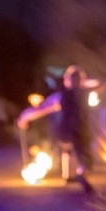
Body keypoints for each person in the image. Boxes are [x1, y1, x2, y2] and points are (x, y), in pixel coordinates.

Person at [17, 65, 95, 193]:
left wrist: (24, 118)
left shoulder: (64, 96)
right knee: (82, 156)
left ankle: (68, 176)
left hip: (67, 130)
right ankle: (79, 174)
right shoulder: (79, 94)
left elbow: (41, 109)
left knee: (68, 150)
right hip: (75, 130)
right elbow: (41, 109)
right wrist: (24, 118)